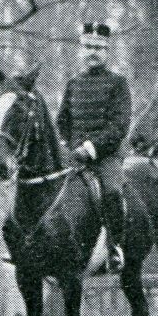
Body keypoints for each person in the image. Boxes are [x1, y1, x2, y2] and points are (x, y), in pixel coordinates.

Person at [56, 21, 132, 275]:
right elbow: (62, 122)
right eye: (88, 47)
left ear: (107, 51)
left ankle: (114, 248)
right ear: (81, 50)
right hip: (73, 157)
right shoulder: (73, 83)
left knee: (112, 193)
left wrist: (89, 148)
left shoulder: (118, 83)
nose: (93, 53)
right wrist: (65, 146)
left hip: (105, 157)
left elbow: (119, 126)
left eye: (98, 48)